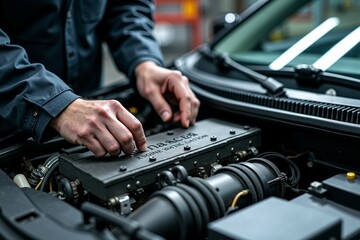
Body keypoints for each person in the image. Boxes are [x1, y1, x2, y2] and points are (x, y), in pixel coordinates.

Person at [0, 0, 200, 157]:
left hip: (92, 119)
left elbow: (126, 6)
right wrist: (56, 103)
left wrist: (144, 63)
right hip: (8, 131)